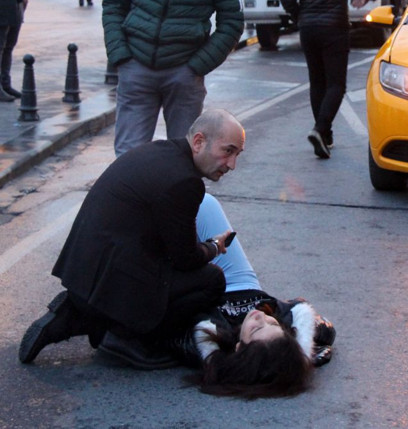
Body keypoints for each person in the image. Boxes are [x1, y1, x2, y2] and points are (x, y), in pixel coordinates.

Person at [18, 109, 245, 368]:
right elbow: (186, 259)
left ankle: (76, 313)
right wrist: (214, 247)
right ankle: (127, 337)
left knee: (168, 268)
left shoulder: (157, 152)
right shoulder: (185, 181)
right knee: (212, 280)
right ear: (198, 141)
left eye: (237, 154)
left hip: (81, 273)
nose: (231, 164)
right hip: (113, 278)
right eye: (228, 151)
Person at [162, 194, 335, 397]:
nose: (261, 316)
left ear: (239, 348)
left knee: (170, 210)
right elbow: (324, 328)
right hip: (240, 282)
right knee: (205, 202)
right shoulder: (278, 322)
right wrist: (303, 356)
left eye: (256, 329)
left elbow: (169, 337)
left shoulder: (214, 336)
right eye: (273, 324)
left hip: (200, 285)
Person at [102, 0, 243, 157]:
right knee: (128, 157)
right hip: (136, 67)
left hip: (184, 75)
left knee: (184, 157)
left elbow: (232, 22)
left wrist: (197, 66)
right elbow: (113, 2)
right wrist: (121, 56)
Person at [280, 0, 377, 159]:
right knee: (336, 84)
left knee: (317, 82)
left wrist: (300, 17)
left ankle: (326, 136)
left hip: (308, 29)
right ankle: (320, 129)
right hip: (335, 26)